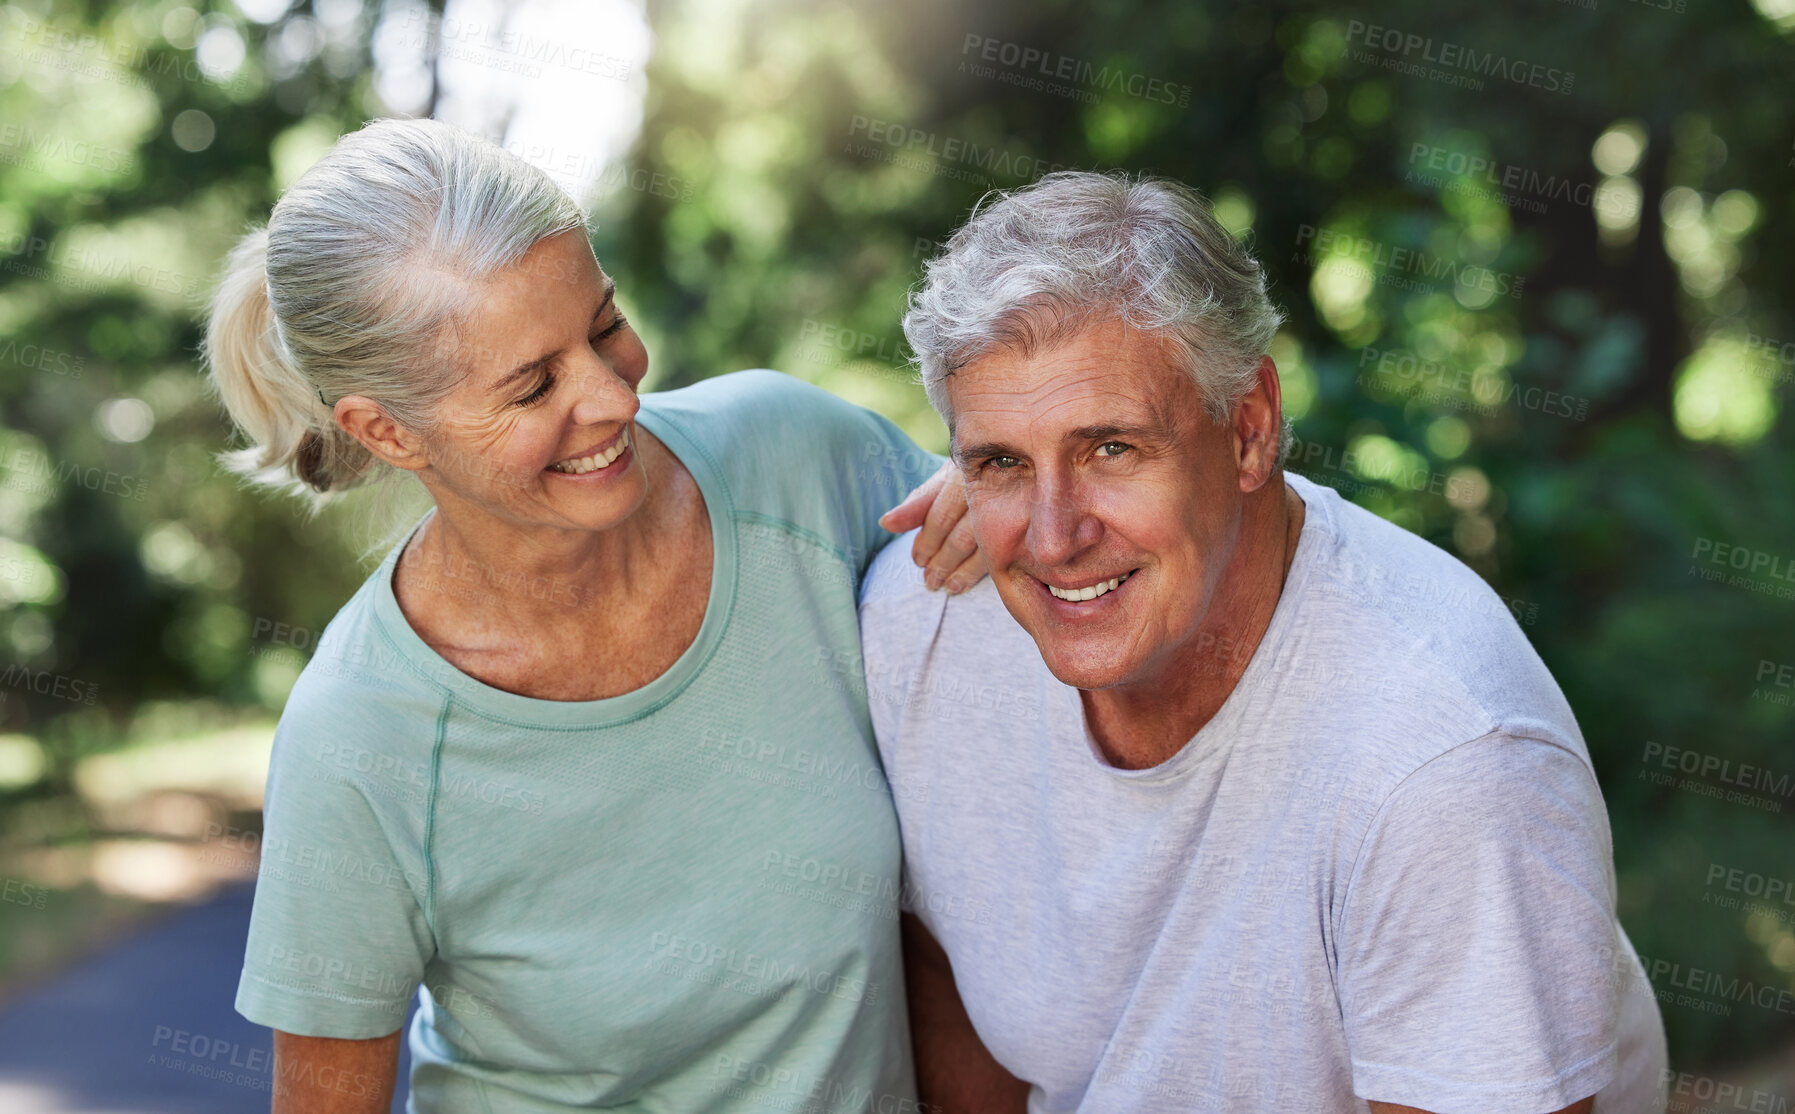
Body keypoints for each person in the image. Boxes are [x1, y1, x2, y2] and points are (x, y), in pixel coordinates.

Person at [208, 116, 980, 1113]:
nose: (611, 396)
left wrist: (1000, 488)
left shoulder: (796, 461)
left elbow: (1039, 595)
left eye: (604, 324)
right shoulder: (358, 736)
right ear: (384, 430)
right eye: (532, 386)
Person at [859, 171, 1669, 1114]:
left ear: (1248, 428)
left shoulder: (1445, 758)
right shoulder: (925, 628)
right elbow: (935, 973)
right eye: (1001, 462)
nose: (1051, 537)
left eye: (1110, 449)